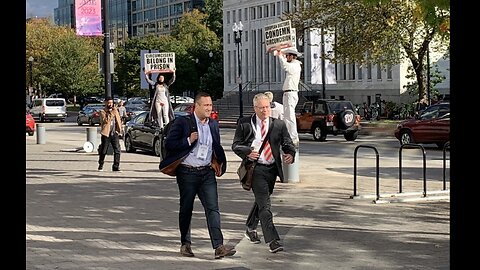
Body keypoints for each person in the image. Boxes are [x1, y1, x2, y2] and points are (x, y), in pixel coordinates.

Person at [159, 92, 236, 259]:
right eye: (206, 105)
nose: (209, 108)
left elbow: (216, 146)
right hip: (187, 172)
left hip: (206, 173)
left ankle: (218, 246)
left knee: (213, 209)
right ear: (197, 106)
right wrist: (187, 140)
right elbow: (169, 144)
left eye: (210, 105)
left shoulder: (213, 124)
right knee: (186, 208)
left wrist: (218, 162)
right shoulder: (183, 122)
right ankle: (185, 244)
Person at [232, 93, 296, 253]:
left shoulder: (278, 125)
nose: (265, 110)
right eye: (261, 108)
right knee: (265, 205)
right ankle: (273, 240)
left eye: (267, 107)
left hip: (272, 169)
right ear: (255, 108)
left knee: (262, 201)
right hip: (255, 168)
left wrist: (290, 154)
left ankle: (250, 227)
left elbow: (287, 143)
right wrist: (247, 152)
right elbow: (236, 145)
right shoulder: (245, 123)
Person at [274, 47, 302, 147]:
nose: (286, 57)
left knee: (290, 116)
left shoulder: (295, 65)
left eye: (287, 56)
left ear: (292, 56)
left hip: (291, 93)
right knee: (286, 116)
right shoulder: (294, 65)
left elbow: (285, 66)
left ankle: (293, 138)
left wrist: (280, 56)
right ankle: (288, 136)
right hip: (288, 93)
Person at [98, 96, 123, 172]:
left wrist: (120, 130)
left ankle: (116, 166)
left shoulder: (115, 110)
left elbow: (119, 120)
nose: (110, 104)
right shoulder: (103, 111)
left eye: (111, 103)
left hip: (114, 133)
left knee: (117, 150)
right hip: (106, 134)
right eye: (109, 103)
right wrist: (112, 113)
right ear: (105, 103)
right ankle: (101, 164)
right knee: (104, 150)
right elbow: (106, 121)